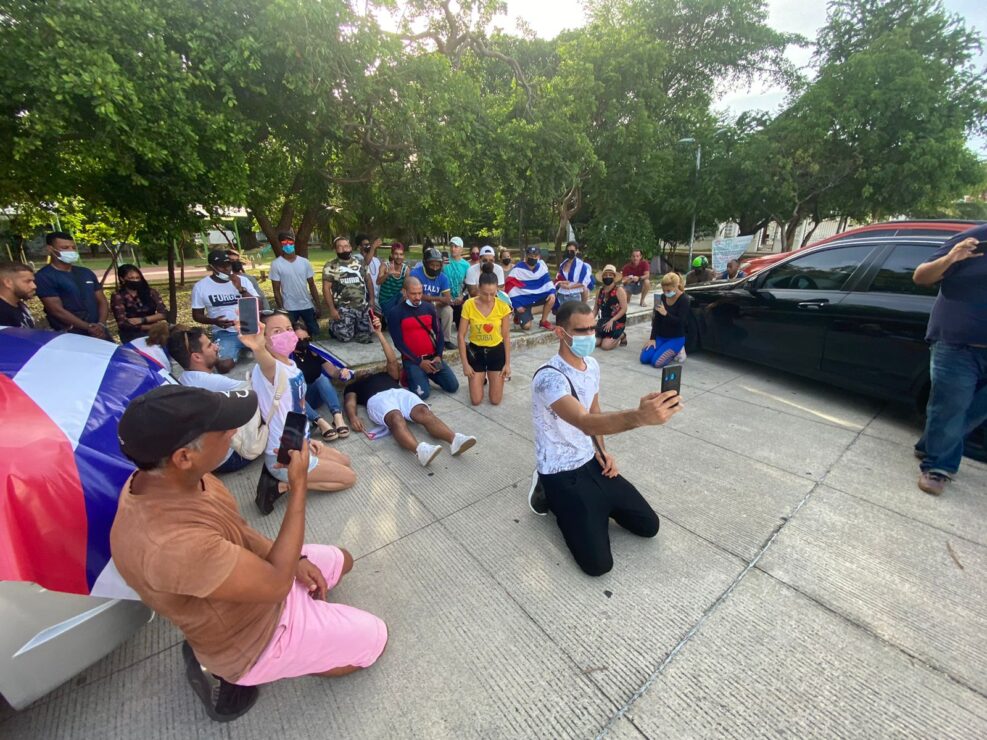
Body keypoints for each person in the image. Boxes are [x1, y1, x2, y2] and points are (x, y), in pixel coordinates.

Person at [112, 386, 386, 723]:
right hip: (252, 638)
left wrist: (297, 561)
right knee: (375, 639)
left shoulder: (182, 478)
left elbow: (239, 531)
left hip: (256, 583)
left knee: (343, 559)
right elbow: (274, 585)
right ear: (184, 456)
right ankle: (270, 665)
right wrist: (298, 485)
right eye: (223, 429)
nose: (233, 432)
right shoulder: (169, 544)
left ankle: (309, 635)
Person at [528, 301, 682, 576]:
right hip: (561, 472)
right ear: (560, 333)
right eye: (581, 330)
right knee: (598, 566)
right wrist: (639, 417)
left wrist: (602, 451)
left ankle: (593, 505)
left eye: (592, 328)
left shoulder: (593, 364)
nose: (589, 335)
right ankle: (546, 493)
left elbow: (594, 410)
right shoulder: (549, 379)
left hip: (590, 460)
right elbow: (584, 421)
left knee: (649, 526)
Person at [244, 312, 357, 514]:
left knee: (345, 461)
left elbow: (297, 409)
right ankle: (279, 485)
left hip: (299, 443)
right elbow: (263, 358)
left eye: (288, 329)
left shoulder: (290, 364)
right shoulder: (269, 368)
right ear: (264, 338)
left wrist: (306, 439)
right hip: (285, 457)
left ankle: (280, 476)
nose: (286, 334)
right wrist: (257, 346)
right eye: (276, 331)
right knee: (348, 478)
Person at [912, 227, 987, 496]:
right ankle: (938, 467)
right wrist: (951, 259)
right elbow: (921, 276)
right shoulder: (976, 239)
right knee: (952, 407)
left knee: (974, 410)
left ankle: (929, 445)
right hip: (957, 345)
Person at [345, 316, 476, 466]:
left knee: (424, 412)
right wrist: (353, 417)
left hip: (399, 393)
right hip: (377, 399)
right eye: (359, 371)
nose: (364, 371)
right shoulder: (354, 385)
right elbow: (350, 402)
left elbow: (392, 361)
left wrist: (380, 334)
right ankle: (420, 451)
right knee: (396, 418)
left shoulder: (386, 375)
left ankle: (455, 440)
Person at [167, 326, 255, 474]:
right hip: (230, 458)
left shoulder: (185, 379)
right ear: (197, 357)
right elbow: (254, 391)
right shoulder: (209, 381)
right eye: (209, 345)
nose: (215, 346)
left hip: (209, 459)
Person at [387, 277, 459, 399]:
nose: (418, 297)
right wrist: (419, 362)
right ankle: (410, 374)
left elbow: (439, 333)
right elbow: (398, 343)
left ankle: (425, 374)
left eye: (420, 293)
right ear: (404, 292)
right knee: (423, 395)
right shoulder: (395, 312)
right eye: (413, 294)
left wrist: (438, 356)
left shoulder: (429, 308)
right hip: (413, 361)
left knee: (453, 386)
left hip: (432, 358)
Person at [191, 249, 260, 372]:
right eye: (221, 266)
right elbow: (196, 315)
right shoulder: (200, 287)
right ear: (212, 267)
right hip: (225, 333)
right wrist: (214, 321)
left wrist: (241, 289)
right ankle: (237, 351)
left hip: (250, 329)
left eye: (228, 265)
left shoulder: (242, 281)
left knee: (276, 352)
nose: (226, 269)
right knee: (223, 366)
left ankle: (244, 348)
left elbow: (258, 305)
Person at [34, 232, 111, 340]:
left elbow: (102, 300)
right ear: (50, 249)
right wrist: (88, 327)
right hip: (71, 334)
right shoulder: (44, 276)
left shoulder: (86, 272)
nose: (70, 250)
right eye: (65, 248)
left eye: (73, 247)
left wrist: (101, 324)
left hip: (100, 331)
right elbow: (56, 310)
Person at [458, 267, 512, 405]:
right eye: (484, 293)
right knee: (476, 400)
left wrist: (507, 364)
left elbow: (506, 336)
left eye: (492, 294)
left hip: (496, 351)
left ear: (497, 291)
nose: (488, 298)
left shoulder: (503, 306)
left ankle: (489, 377)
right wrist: (465, 364)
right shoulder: (469, 305)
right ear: (478, 288)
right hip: (476, 352)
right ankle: (480, 377)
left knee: (495, 400)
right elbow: (461, 335)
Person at [291, 324, 354, 442]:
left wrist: (342, 372)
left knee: (322, 378)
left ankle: (337, 417)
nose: (303, 343)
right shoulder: (288, 358)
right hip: (298, 402)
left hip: (313, 396)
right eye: (298, 340)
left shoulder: (314, 352)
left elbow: (333, 372)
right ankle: (320, 422)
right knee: (294, 390)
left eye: (306, 339)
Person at [270, 233, 321, 337]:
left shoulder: (304, 262)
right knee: (291, 335)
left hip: (307, 304)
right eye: (284, 243)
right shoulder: (276, 264)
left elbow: (312, 284)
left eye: (290, 242)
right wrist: (281, 309)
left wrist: (318, 305)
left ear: (294, 243)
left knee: (315, 334)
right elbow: (276, 289)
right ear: (281, 245)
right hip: (289, 306)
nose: (288, 245)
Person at [322, 236, 372, 344]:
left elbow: (368, 280)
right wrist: (332, 309)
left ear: (350, 247)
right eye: (340, 247)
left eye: (346, 246)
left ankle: (354, 326)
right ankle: (333, 326)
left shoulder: (360, 262)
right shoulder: (331, 265)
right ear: (335, 250)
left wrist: (371, 299)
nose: (344, 249)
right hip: (344, 307)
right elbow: (326, 288)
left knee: (366, 336)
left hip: (362, 306)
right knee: (345, 337)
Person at [641, 272, 691, 368]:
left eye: (668, 290)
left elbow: (681, 322)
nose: (666, 293)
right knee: (644, 358)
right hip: (661, 336)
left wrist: (666, 314)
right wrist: (652, 338)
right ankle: (664, 349)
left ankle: (679, 351)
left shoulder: (685, 299)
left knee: (656, 363)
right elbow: (656, 320)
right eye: (664, 290)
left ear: (676, 286)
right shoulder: (661, 297)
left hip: (676, 337)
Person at [410, 247, 455, 350]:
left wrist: (433, 302)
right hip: (417, 306)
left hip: (434, 306)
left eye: (438, 265)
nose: (435, 268)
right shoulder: (415, 274)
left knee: (448, 310)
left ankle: (445, 340)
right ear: (425, 263)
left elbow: (447, 299)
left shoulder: (443, 277)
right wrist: (438, 299)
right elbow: (415, 296)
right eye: (432, 265)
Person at [110, 264, 167, 344]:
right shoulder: (118, 296)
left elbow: (163, 313)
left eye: (137, 278)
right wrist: (149, 326)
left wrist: (142, 320)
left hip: (155, 332)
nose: (135, 281)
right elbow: (123, 323)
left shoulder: (150, 292)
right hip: (132, 335)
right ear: (122, 279)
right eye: (131, 278)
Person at [507, 246, 556, 331]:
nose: (532, 258)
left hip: (537, 297)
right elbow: (509, 287)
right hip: (524, 301)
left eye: (535, 256)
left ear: (539, 257)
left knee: (552, 298)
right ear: (526, 256)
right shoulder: (518, 269)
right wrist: (517, 305)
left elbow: (548, 282)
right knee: (527, 327)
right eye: (530, 256)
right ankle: (518, 314)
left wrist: (552, 292)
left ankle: (543, 321)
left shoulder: (541, 267)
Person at [595, 265, 627, 351]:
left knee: (605, 346)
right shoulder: (600, 291)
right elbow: (595, 309)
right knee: (595, 343)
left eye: (610, 275)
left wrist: (612, 320)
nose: (607, 277)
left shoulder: (619, 290)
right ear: (602, 277)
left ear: (614, 277)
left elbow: (624, 309)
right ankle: (603, 336)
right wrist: (588, 321)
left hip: (617, 320)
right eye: (605, 275)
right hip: (604, 320)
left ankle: (622, 335)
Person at [556, 241, 593, 308]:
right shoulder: (562, 264)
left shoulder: (581, 265)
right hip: (561, 294)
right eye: (568, 250)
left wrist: (569, 287)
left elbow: (583, 282)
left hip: (574, 294)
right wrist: (560, 284)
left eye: (572, 251)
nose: (569, 252)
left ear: (576, 251)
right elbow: (558, 278)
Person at [443, 236, 470, 330]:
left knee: (461, 326)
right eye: (451, 246)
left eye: (456, 246)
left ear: (461, 249)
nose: (452, 249)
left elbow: (468, 284)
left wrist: (462, 296)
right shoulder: (444, 262)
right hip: (445, 298)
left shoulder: (466, 265)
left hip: (459, 299)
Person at [0, 261, 37, 328]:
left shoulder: (19, 304)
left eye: (33, 281)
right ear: (8, 283)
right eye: (28, 281)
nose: (34, 286)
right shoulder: (2, 315)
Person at [376, 242, 409, 316]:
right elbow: (378, 282)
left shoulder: (406, 269)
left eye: (401, 254)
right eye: (396, 254)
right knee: (392, 317)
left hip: (398, 299)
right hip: (385, 299)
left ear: (403, 256)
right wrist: (388, 274)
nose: (398, 257)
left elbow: (404, 288)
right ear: (391, 255)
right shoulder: (385, 266)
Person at [357, 235, 383, 310]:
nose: (368, 246)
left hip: (378, 296)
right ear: (359, 247)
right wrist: (373, 247)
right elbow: (365, 263)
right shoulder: (356, 258)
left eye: (369, 244)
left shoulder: (376, 259)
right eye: (365, 245)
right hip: (366, 296)